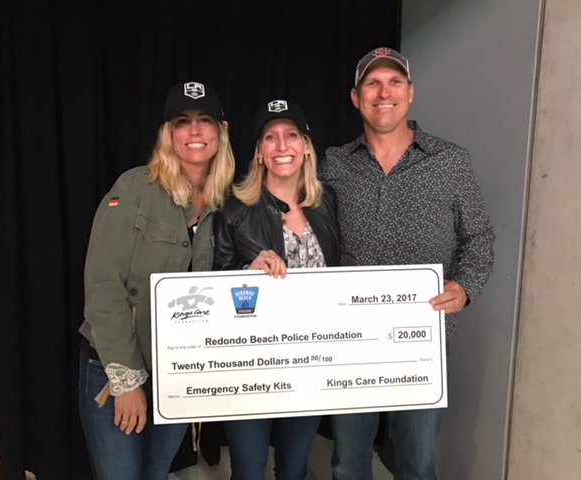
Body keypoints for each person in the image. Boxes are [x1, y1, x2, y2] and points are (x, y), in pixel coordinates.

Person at [319, 47, 496, 480]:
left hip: (423, 339)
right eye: (372, 84)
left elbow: (480, 237)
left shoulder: (450, 162)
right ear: (356, 97)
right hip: (352, 339)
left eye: (394, 82)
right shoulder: (333, 164)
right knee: (347, 463)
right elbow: (306, 232)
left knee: (416, 462)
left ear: (411, 93)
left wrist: (465, 287)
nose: (384, 92)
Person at [78, 81, 235, 480]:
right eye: (183, 122)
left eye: (205, 121)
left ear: (221, 131)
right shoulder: (133, 190)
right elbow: (103, 287)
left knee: (156, 474)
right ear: (169, 134)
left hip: (177, 371)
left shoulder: (226, 202)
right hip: (115, 368)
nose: (195, 131)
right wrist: (126, 381)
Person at [212, 99, 339, 479]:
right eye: (270, 137)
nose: (282, 146)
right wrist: (245, 275)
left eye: (291, 135)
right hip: (250, 367)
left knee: (294, 468)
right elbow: (209, 292)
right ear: (259, 153)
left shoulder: (327, 202)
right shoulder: (235, 210)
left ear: (305, 147)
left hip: (310, 364)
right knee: (249, 471)